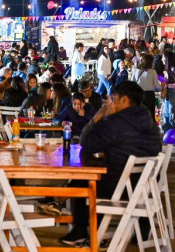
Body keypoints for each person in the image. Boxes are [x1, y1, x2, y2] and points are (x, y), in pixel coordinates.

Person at [61, 81, 162, 246]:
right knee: (101, 176)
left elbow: (87, 143)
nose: (110, 101)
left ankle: (81, 231)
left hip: (122, 186)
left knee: (81, 182)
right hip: (146, 187)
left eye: (113, 97)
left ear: (123, 100)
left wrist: (99, 115)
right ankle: (139, 231)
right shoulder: (149, 121)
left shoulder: (116, 122)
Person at [132, 53, 160, 120]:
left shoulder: (136, 70)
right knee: (150, 115)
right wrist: (163, 87)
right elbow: (157, 85)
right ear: (150, 62)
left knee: (139, 114)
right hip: (149, 95)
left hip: (139, 94)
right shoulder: (153, 71)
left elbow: (132, 83)